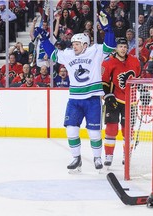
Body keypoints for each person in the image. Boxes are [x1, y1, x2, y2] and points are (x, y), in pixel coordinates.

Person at [36, 9, 116, 171]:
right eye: (73, 44)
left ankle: (97, 158)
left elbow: (110, 46)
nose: (74, 46)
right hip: (74, 99)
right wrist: (44, 40)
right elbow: (53, 55)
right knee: (71, 129)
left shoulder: (95, 51)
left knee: (94, 132)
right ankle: (76, 158)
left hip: (92, 98)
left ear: (85, 44)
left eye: (77, 44)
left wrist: (108, 30)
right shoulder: (69, 54)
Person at [101, 37, 141, 166]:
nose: (123, 49)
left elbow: (138, 78)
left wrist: (143, 91)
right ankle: (108, 155)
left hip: (131, 101)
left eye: (125, 47)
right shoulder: (108, 62)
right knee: (111, 129)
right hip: (114, 99)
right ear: (116, 48)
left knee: (127, 130)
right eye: (120, 46)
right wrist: (107, 96)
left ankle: (127, 155)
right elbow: (104, 81)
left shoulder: (134, 61)